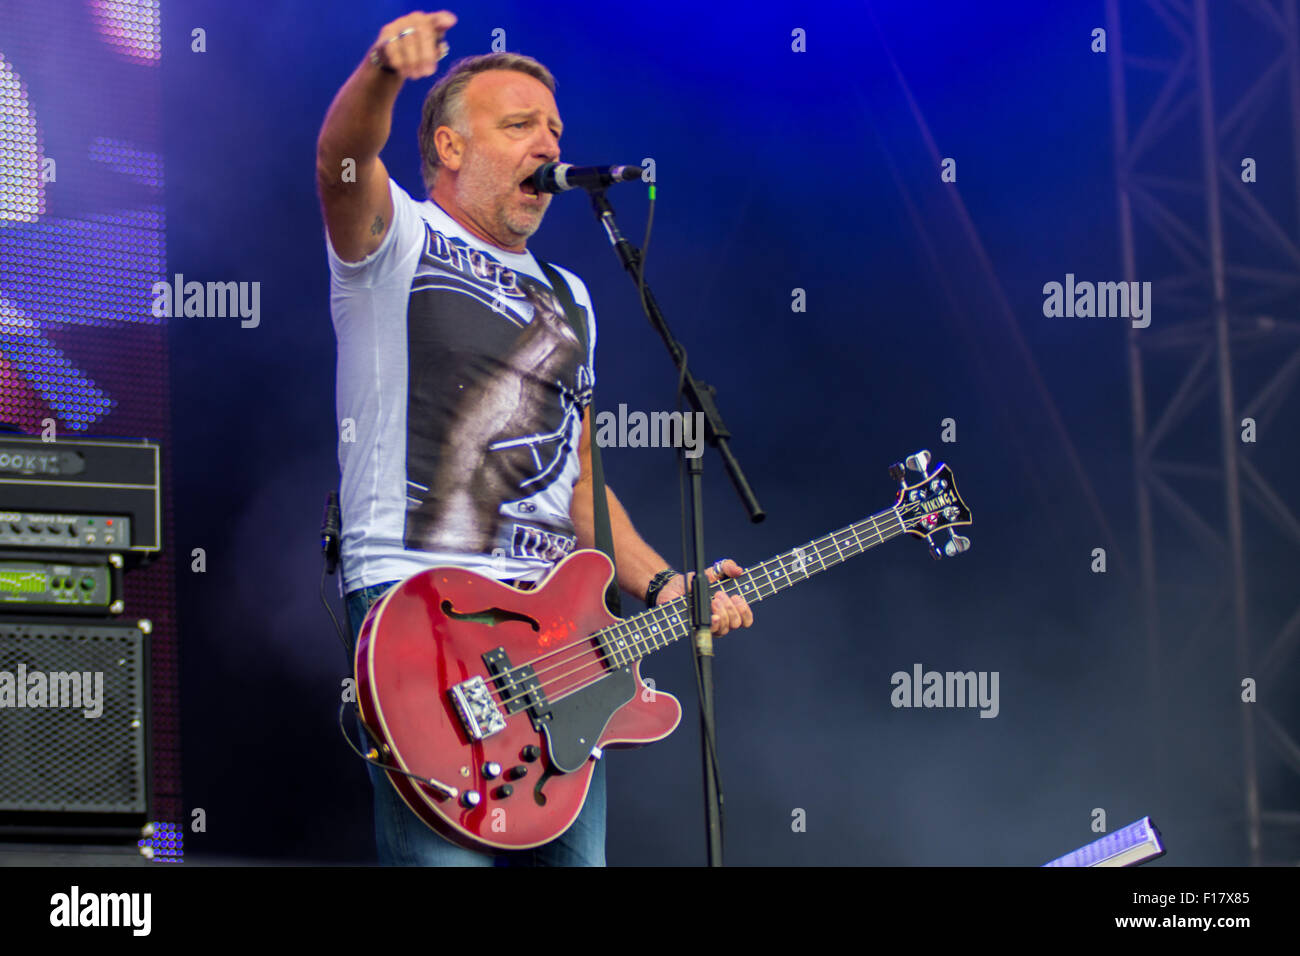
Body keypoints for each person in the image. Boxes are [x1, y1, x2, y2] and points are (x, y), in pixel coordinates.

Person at [315, 10, 754, 866]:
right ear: (447, 147)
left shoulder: (571, 295)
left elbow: (579, 480)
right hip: (424, 615)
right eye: (518, 127)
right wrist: (380, 73)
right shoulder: (398, 239)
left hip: (557, 639)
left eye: (553, 129)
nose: (546, 148)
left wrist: (664, 581)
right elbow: (340, 165)